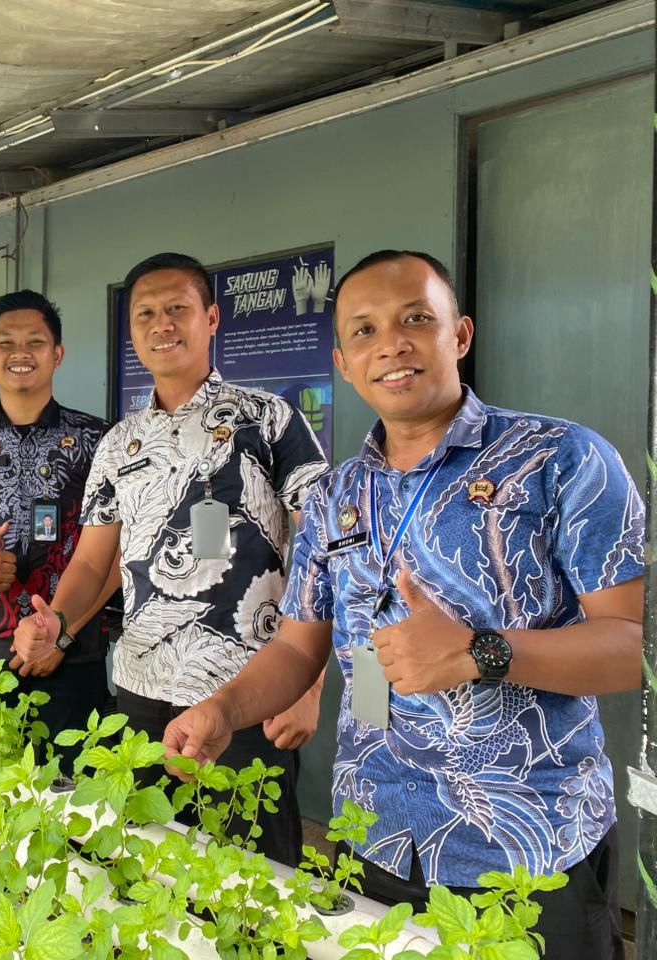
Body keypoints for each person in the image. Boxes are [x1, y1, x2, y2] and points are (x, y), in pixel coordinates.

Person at [162, 250, 642, 959]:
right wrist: (225, 710)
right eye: (364, 331)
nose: (391, 343)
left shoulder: (561, 459)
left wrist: (483, 652)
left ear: (461, 335)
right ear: (345, 362)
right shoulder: (332, 495)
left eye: (417, 318)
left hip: (529, 852)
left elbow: (635, 645)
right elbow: (299, 646)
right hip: (374, 840)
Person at [13, 253, 328, 865]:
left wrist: (307, 683)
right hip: (139, 692)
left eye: (177, 309)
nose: (162, 324)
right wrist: (58, 620)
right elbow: (92, 563)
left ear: (211, 318)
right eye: (146, 314)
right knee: (144, 870)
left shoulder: (268, 421)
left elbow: (325, 555)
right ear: (132, 332)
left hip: (249, 695)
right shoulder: (117, 444)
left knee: (250, 884)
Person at [0, 290, 115, 752]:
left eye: (35, 342)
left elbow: (119, 553)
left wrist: (64, 633)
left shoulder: (100, 440)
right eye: (6, 343)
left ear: (57, 354)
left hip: (74, 653)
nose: (20, 354)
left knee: (80, 808)